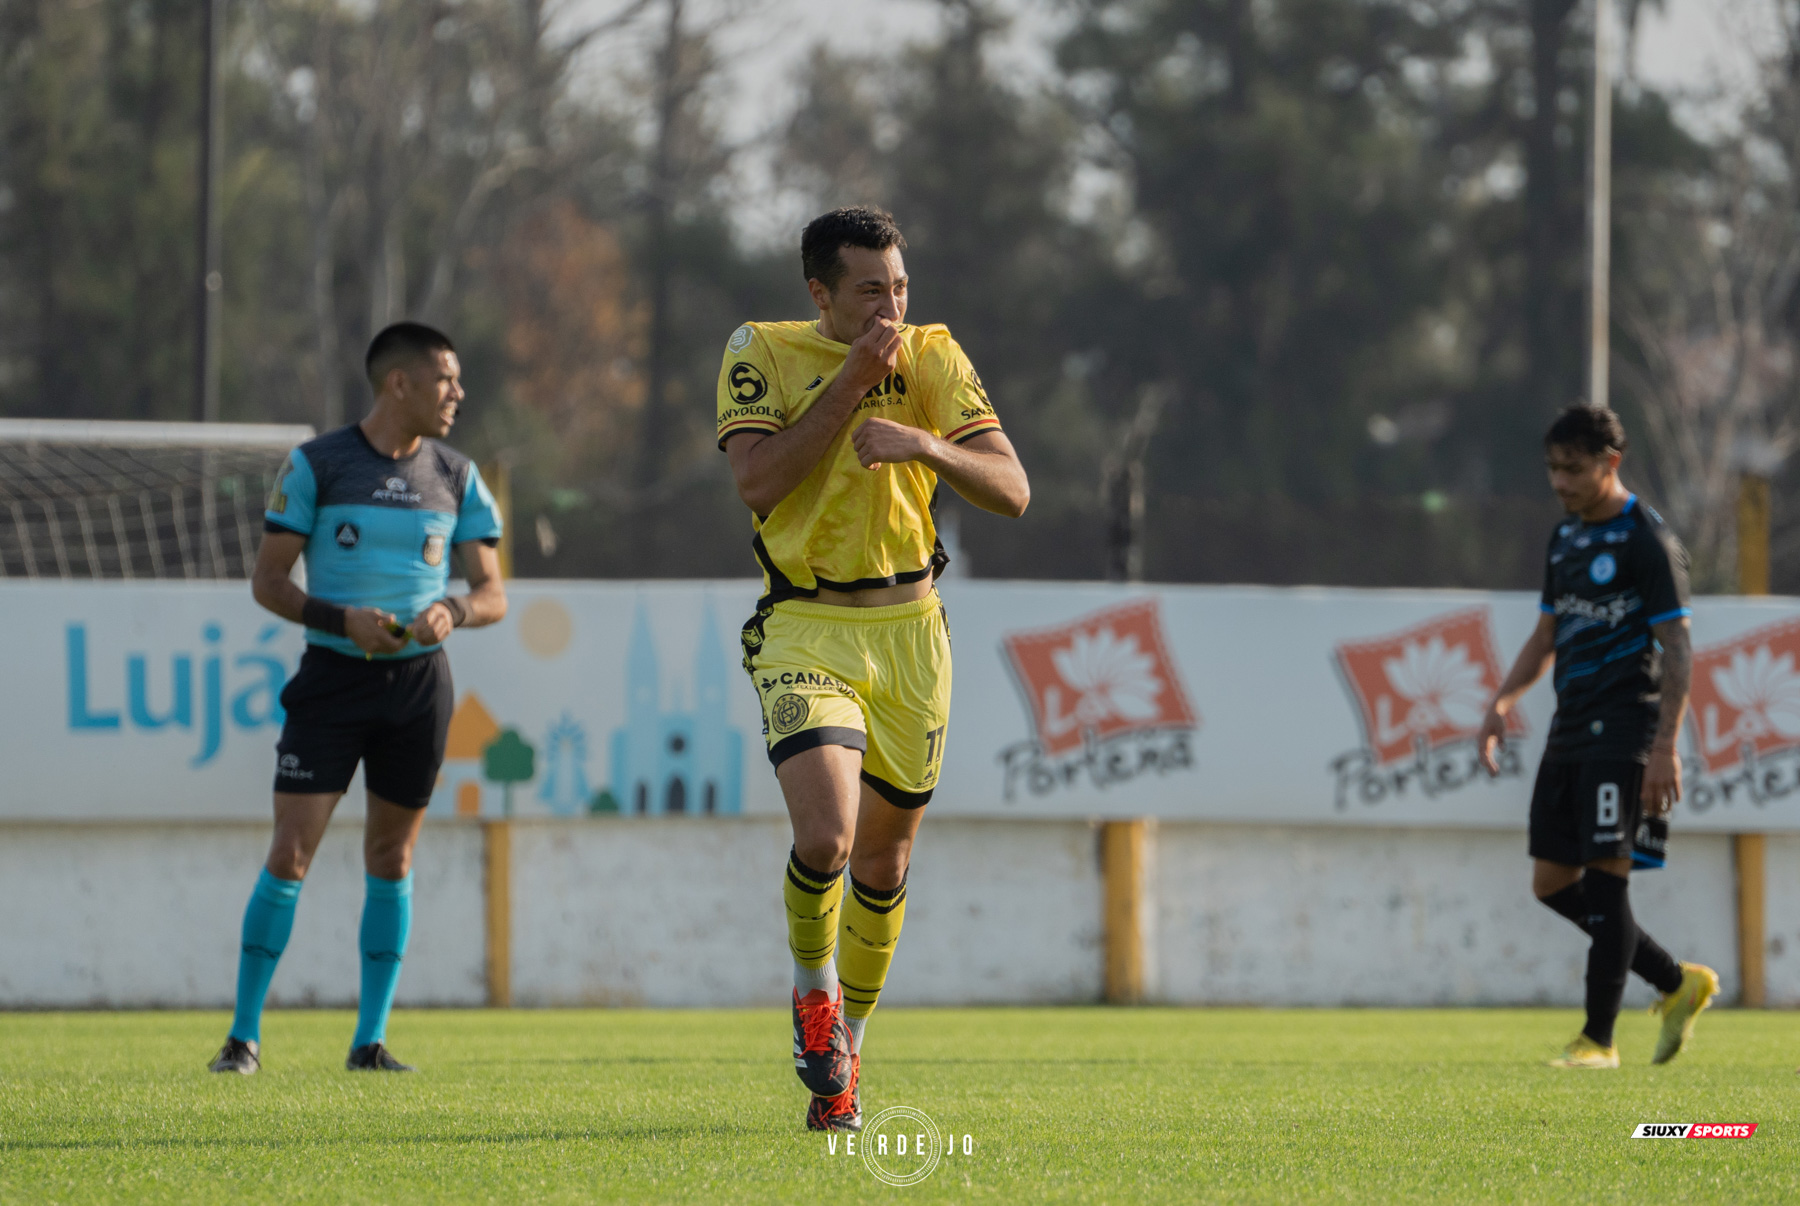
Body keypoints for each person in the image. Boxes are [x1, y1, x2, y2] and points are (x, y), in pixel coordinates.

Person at [718, 206, 1030, 1130]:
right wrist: (854, 382)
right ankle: (814, 999)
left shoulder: (933, 354)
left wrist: (929, 444)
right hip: (808, 627)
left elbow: (1013, 490)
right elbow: (759, 481)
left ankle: (849, 1051)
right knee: (828, 837)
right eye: (870, 291)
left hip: (912, 634)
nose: (891, 306)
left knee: (886, 864)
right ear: (821, 294)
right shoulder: (761, 351)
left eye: (900, 287)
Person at [208, 322, 506, 1075]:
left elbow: (493, 590)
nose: (458, 395)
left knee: (392, 854)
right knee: (291, 851)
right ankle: (243, 1038)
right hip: (332, 682)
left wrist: (454, 611)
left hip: (420, 687)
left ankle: (369, 1041)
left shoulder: (457, 475)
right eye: (446, 380)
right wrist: (344, 621)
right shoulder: (317, 465)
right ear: (398, 383)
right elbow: (269, 582)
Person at [1478, 403, 1717, 1069]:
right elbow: (1547, 633)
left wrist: (1665, 746)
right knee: (1552, 883)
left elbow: (1679, 649)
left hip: (1627, 730)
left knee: (1608, 884)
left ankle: (1598, 1041)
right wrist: (1502, 701)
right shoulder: (1566, 539)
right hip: (1570, 727)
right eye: (1553, 469)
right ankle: (1675, 981)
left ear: (1610, 464)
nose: (1560, 482)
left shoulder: (1647, 541)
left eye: (1574, 469)